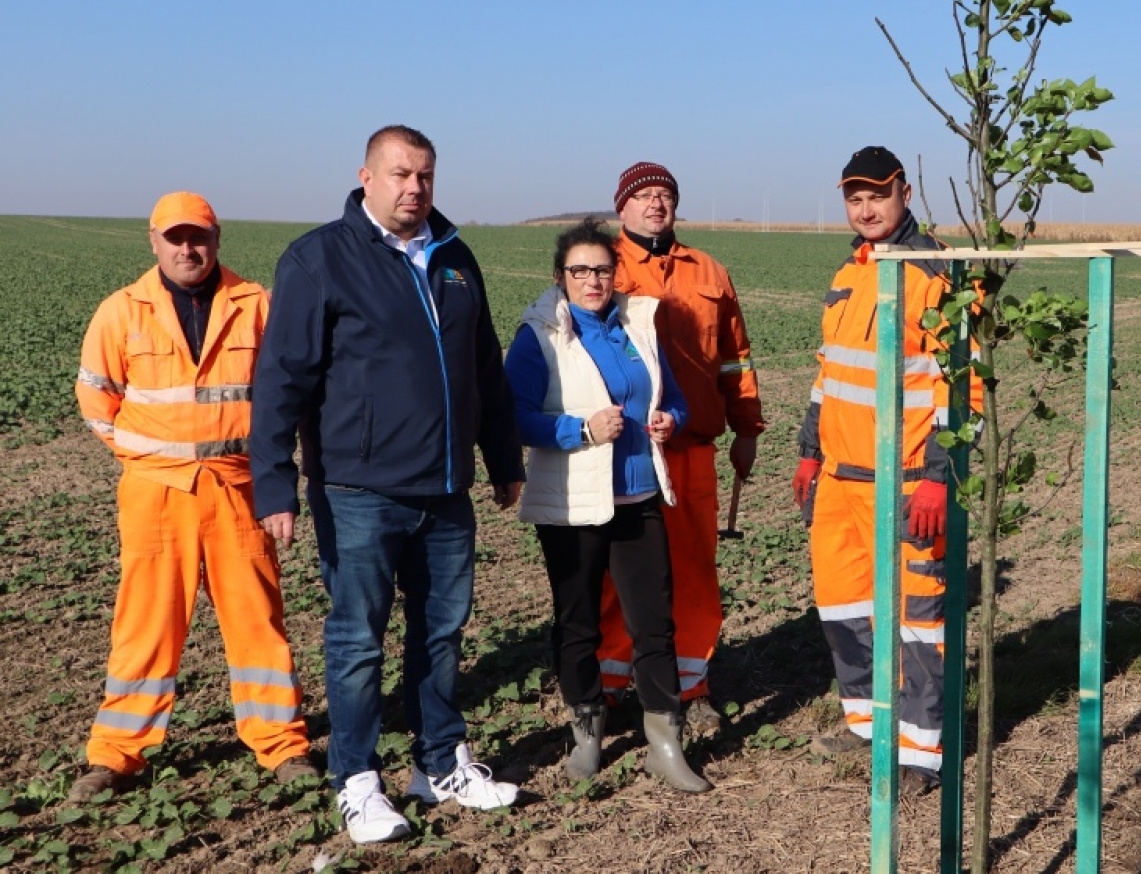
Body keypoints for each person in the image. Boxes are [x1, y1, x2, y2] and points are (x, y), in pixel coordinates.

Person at [250, 125, 525, 843]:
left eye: (426, 176)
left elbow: (484, 369)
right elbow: (282, 380)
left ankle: (439, 763)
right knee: (356, 640)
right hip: (359, 490)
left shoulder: (455, 258)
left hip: (445, 489)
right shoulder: (320, 260)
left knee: (442, 632)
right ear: (366, 177)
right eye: (401, 174)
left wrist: (503, 460)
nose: (415, 188)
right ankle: (357, 779)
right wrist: (273, 482)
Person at [69, 191, 316, 803]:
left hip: (238, 489)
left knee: (257, 621)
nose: (187, 248)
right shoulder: (121, 312)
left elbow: (288, 390)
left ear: (216, 238)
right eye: (175, 238)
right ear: (152, 241)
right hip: (156, 495)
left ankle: (281, 743)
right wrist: (150, 459)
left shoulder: (256, 304)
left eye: (198, 237)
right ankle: (116, 754)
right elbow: (96, 402)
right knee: (145, 625)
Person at [794, 146, 980, 797]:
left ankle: (920, 753)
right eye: (854, 197)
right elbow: (830, 372)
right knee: (844, 608)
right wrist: (810, 448)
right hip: (842, 483)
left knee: (917, 619)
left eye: (877, 194)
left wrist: (940, 473)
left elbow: (967, 387)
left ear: (904, 192)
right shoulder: (851, 271)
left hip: (906, 483)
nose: (866, 207)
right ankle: (868, 726)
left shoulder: (940, 272)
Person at [505, 218, 710, 793]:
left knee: (654, 623)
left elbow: (674, 398)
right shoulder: (540, 335)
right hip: (573, 502)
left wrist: (673, 421)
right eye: (580, 271)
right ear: (561, 276)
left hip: (640, 494)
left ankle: (665, 742)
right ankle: (587, 735)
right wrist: (580, 429)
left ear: (615, 273)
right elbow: (513, 417)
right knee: (578, 622)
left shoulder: (637, 324)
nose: (593, 280)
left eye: (602, 269)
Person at [597, 163, 766, 735]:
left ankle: (691, 685)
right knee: (618, 570)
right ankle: (612, 682)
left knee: (693, 569)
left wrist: (746, 428)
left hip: (692, 449)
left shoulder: (708, 271)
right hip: (623, 454)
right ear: (622, 207)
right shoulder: (602, 268)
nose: (655, 204)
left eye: (664, 195)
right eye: (643, 195)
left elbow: (735, 358)